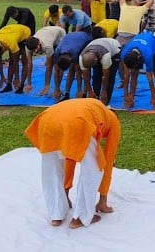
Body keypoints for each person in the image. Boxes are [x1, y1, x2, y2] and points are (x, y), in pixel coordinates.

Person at [24, 98, 121, 229]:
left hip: (47, 121)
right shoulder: (113, 120)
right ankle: (82, 216)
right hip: (76, 122)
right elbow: (108, 161)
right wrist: (103, 201)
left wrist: (66, 191)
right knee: (93, 169)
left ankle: (56, 214)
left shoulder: (89, 105)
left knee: (51, 170)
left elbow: (70, 157)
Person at [121, 32, 155, 110]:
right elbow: (126, 75)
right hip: (140, 46)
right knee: (133, 73)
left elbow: (149, 77)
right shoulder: (124, 53)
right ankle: (131, 98)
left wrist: (153, 97)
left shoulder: (148, 54)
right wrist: (126, 96)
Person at [0, 24, 36, 93]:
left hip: (25, 33)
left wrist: (16, 78)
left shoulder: (11, 43)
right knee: (11, 61)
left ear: (3, 48)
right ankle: (9, 85)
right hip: (11, 33)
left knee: (23, 61)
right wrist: (2, 76)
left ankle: (21, 85)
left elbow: (16, 62)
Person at [79, 37, 122, 104]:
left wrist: (104, 92)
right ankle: (95, 100)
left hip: (114, 48)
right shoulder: (81, 58)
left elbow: (106, 77)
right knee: (96, 76)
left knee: (110, 77)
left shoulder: (105, 56)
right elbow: (86, 78)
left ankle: (105, 103)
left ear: (96, 60)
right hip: (99, 47)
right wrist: (90, 91)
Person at [53, 31, 93, 100]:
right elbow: (56, 70)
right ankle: (67, 94)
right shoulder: (57, 52)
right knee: (72, 69)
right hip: (72, 37)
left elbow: (78, 72)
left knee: (84, 68)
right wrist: (57, 89)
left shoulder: (75, 53)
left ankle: (84, 93)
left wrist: (79, 90)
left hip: (87, 38)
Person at [27, 26, 66, 96]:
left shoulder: (47, 46)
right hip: (46, 32)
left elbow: (49, 66)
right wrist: (29, 84)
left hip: (60, 34)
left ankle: (57, 89)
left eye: (36, 48)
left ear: (39, 43)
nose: (35, 51)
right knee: (50, 61)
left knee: (57, 64)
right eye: (33, 50)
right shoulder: (28, 46)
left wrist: (46, 86)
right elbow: (29, 64)